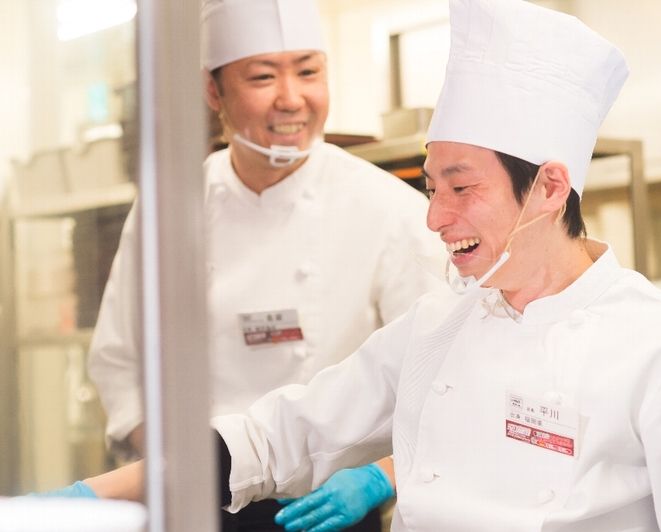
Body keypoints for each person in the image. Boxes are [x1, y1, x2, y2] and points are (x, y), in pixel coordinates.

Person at [64, 0, 661, 530]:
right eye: (432, 188)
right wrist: (89, 496)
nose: (435, 218)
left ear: (549, 188)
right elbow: (279, 435)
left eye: (462, 189)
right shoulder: (439, 325)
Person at [84, 0, 446, 530]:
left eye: (308, 72)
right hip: (197, 499)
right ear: (213, 91)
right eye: (262, 76)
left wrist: (381, 476)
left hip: (327, 508)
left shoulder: (390, 209)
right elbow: (121, 359)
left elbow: (438, 378)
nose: (291, 98)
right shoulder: (171, 205)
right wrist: (175, 467)